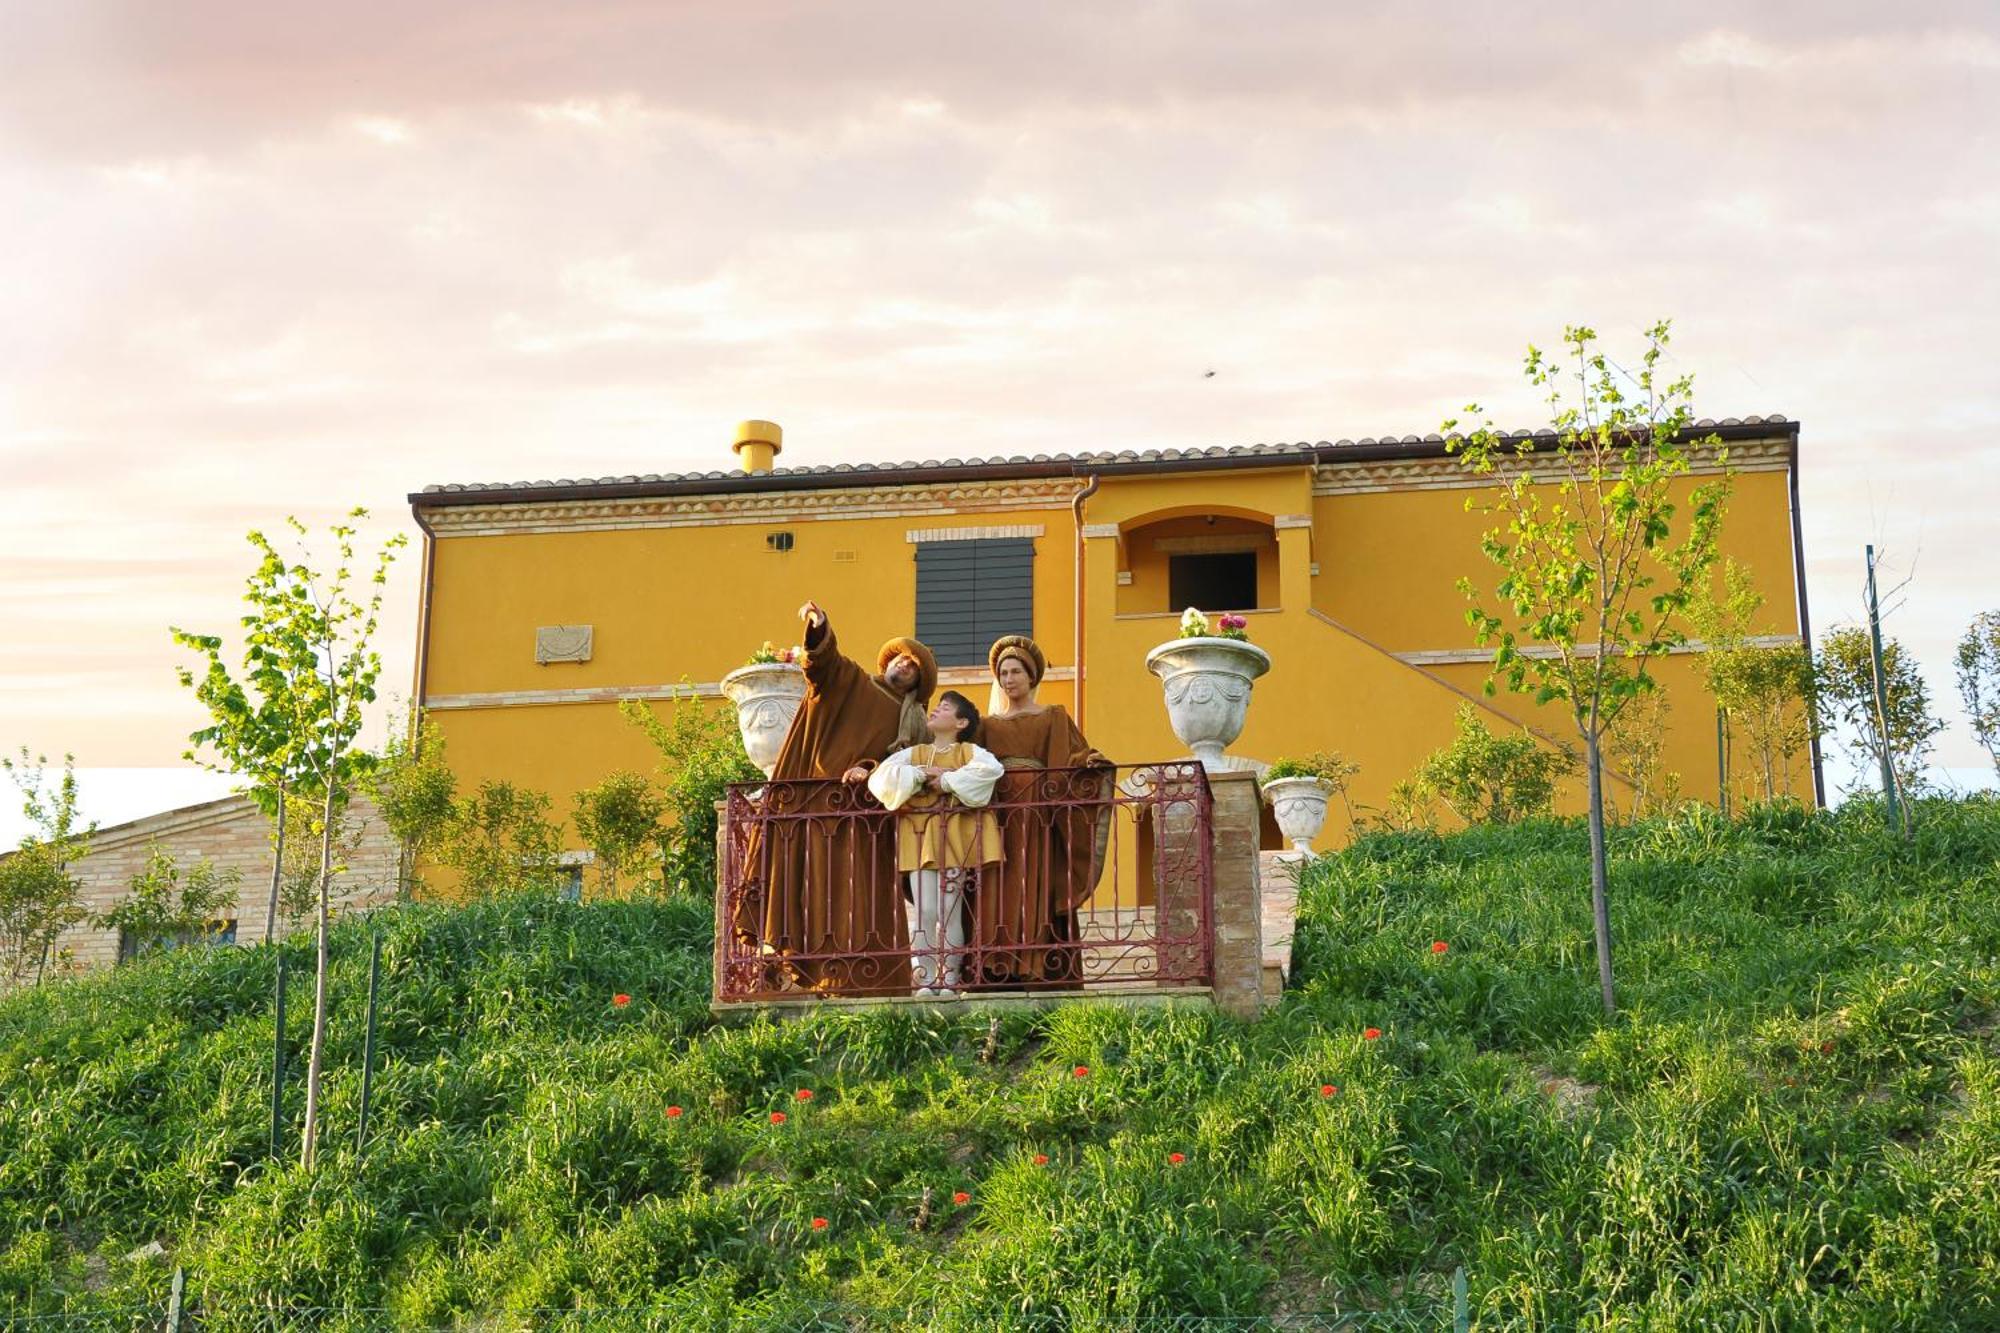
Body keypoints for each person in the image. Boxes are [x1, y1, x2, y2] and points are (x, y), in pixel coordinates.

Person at [736, 600, 936, 995]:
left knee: (851, 898)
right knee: (801, 887)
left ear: (918, 681)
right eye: (900, 659)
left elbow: (909, 767)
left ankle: (857, 979)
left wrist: (871, 768)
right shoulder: (854, 682)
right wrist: (819, 627)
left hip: (860, 818)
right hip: (810, 803)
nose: (903, 666)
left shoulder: (913, 724)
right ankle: (797, 971)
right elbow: (823, 665)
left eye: (912, 666)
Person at [974, 635, 1112, 989]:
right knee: (997, 884)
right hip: (998, 812)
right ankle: (995, 966)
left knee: (1033, 879)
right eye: (1003, 672)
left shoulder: (1053, 716)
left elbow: (1073, 756)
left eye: (1016, 671)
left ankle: (1035, 963)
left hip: (1037, 813)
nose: (1008, 679)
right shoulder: (987, 725)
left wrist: (1090, 763)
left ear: (1031, 675)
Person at [868, 691, 1003, 997]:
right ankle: (926, 978)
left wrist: (946, 781)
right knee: (925, 911)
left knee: (949, 910)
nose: (936, 711)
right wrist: (920, 774)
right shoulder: (915, 753)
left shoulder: (969, 751)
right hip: (917, 835)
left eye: (945, 708)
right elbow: (880, 778)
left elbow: (991, 770)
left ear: (961, 722)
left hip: (952, 835)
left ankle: (949, 978)